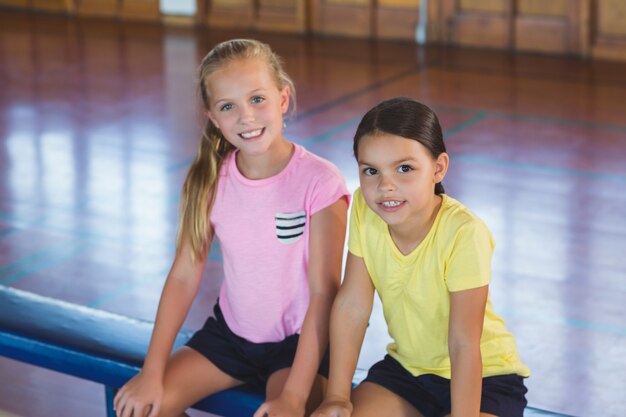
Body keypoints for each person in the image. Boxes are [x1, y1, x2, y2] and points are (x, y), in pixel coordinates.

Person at [113, 39, 350, 417]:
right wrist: (152, 370)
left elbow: (325, 292)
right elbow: (184, 276)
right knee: (143, 409)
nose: (246, 117)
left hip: (299, 346)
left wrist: (293, 396)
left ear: (283, 98)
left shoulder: (319, 182)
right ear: (213, 117)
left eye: (257, 99)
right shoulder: (208, 180)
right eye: (229, 106)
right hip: (229, 338)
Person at [312, 97, 530, 417]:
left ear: (438, 168)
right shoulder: (363, 206)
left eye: (405, 168)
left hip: (485, 378)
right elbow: (352, 305)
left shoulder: (463, 232)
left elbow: (463, 343)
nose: (386, 186)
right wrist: (337, 396)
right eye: (371, 170)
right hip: (407, 372)